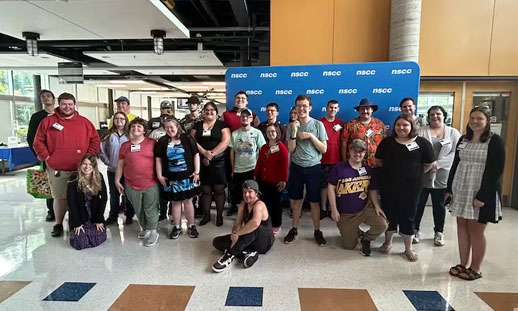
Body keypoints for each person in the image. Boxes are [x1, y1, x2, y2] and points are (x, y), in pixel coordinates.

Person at [445, 106, 505, 281]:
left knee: (476, 231)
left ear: (487, 122)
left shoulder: (495, 141)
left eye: (479, 118)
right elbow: (455, 164)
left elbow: (496, 171)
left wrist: (482, 196)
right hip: (461, 187)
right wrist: (449, 189)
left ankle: (476, 268)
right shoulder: (464, 139)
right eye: (472, 118)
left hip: (480, 190)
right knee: (461, 228)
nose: (475, 122)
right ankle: (463, 264)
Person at [33, 92, 100, 237]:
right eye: (64, 104)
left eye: (70, 104)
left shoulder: (85, 122)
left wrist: (88, 158)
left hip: (81, 169)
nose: (67, 107)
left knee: (81, 197)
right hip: (58, 168)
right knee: (59, 197)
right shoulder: (48, 122)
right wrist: (47, 157)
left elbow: (95, 140)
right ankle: (58, 224)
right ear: (59, 104)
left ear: (74, 105)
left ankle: (78, 222)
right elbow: (37, 142)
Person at [375, 115, 434, 261]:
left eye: (405, 125)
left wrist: (415, 174)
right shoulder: (387, 142)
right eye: (398, 125)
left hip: (412, 188)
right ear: (394, 126)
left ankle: (408, 248)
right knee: (389, 214)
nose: (401, 128)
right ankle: (387, 243)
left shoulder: (422, 143)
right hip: (388, 185)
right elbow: (378, 161)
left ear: (412, 126)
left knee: (409, 215)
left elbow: (429, 164)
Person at [327, 139, 388, 256]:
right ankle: (356, 231)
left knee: (382, 224)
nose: (358, 154)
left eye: (361, 151)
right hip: (346, 214)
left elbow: (372, 190)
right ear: (349, 151)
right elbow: (331, 188)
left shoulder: (368, 170)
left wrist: (376, 206)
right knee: (349, 246)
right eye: (355, 151)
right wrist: (334, 210)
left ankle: (366, 239)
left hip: (364, 209)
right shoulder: (339, 168)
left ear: (365, 153)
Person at [284, 94, 328, 246]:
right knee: (296, 200)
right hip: (297, 167)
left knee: (314, 201)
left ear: (309, 107)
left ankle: (317, 231)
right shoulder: (291, 126)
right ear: (295, 107)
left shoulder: (318, 125)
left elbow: (324, 149)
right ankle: (294, 229)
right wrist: (295, 132)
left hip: (313, 167)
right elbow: (291, 149)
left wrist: (310, 136)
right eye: (299, 106)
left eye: (304, 106)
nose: (301, 108)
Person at [414, 106, 461, 245]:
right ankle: (415, 230)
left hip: (442, 175)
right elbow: (416, 150)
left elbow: (456, 153)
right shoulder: (421, 131)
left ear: (444, 116)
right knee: (418, 204)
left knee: (439, 205)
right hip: (422, 173)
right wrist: (428, 164)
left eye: (438, 114)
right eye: (432, 114)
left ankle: (438, 232)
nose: (435, 116)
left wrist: (436, 164)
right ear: (428, 117)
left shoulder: (453, 132)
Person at [115, 118, 160, 247]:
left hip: (150, 182)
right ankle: (145, 228)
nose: (136, 129)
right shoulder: (125, 146)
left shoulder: (152, 143)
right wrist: (117, 180)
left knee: (150, 208)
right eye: (133, 126)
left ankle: (153, 231)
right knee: (138, 208)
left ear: (144, 130)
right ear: (129, 129)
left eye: (139, 127)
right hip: (131, 184)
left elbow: (160, 161)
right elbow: (120, 165)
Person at [212, 180, 275, 272]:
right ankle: (249, 253)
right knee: (217, 241)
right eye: (244, 192)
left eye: (250, 192)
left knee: (253, 227)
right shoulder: (243, 205)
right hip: (250, 239)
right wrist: (234, 234)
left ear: (256, 193)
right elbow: (237, 223)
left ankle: (229, 255)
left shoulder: (259, 205)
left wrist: (238, 234)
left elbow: (255, 223)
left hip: (264, 241)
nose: (246, 195)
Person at [155, 117, 201, 239]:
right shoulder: (163, 141)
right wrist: (159, 175)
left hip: (187, 176)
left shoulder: (187, 138)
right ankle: (177, 227)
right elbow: (158, 159)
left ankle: (191, 225)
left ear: (177, 126)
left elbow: (196, 154)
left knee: (188, 201)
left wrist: (197, 171)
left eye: (172, 127)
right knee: (175, 202)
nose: (170, 130)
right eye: (167, 127)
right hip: (171, 178)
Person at [191, 102, 230, 226]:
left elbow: (226, 141)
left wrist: (211, 154)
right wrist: (204, 153)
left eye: (212, 110)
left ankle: (219, 216)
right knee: (205, 189)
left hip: (219, 161)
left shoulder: (222, 125)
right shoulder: (197, 125)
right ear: (203, 112)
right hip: (201, 161)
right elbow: (192, 140)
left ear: (216, 112)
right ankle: (206, 215)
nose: (209, 112)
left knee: (219, 189)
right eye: (207, 110)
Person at [228, 108, 266, 216]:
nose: (245, 118)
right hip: (238, 170)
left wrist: (258, 169)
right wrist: (233, 168)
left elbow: (262, 150)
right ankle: (241, 216)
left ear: (251, 119)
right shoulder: (235, 134)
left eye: (247, 116)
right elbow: (232, 152)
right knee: (241, 196)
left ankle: (252, 215)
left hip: (252, 169)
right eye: (242, 116)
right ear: (240, 119)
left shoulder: (257, 133)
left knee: (253, 195)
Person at [99, 111, 134, 226]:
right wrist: (108, 162)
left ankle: (129, 215)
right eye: (117, 118)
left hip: (128, 171)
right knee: (114, 195)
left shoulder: (130, 135)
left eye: (122, 119)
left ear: (126, 121)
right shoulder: (108, 135)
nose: (119, 121)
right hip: (113, 170)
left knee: (128, 194)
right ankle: (113, 215)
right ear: (113, 121)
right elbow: (101, 150)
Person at [27, 89, 56, 222]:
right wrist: (38, 155)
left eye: (48, 96)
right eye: (43, 97)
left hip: (62, 155)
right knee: (49, 183)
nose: (46, 98)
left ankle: (67, 208)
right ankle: (51, 210)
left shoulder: (60, 114)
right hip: (46, 156)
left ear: (54, 99)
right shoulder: (37, 117)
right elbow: (31, 138)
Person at [67, 155, 107, 250]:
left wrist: (99, 219)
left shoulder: (99, 177)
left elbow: (104, 198)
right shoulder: (73, 178)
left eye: (90, 164)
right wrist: (77, 223)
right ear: (80, 165)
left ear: (94, 166)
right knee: (80, 243)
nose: (87, 167)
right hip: (79, 217)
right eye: (84, 164)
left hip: (94, 216)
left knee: (98, 237)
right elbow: (71, 203)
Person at [254, 123, 289, 234]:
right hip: (263, 180)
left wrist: (284, 180)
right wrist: (255, 174)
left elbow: (285, 165)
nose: (271, 133)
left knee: (275, 205)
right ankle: (266, 222)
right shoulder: (264, 147)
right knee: (264, 203)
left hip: (276, 182)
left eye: (273, 131)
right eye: (268, 131)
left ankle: (276, 224)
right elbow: (259, 162)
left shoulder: (282, 148)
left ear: (277, 133)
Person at [341, 98, 387, 167]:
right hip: (355, 164)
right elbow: (344, 143)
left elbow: (385, 143)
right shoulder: (350, 124)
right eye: (362, 109)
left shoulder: (380, 124)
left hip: (375, 164)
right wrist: (344, 161)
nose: (365, 111)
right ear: (358, 111)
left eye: (367, 109)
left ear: (372, 110)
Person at [319, 100, 343, 219]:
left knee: (335, 186)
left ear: (338, 109)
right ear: (326, 108)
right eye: (331, 107)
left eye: (335, 108)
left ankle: (333, 209)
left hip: (336, 160)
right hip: (323, 160)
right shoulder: (320, 122)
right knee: (324, 186)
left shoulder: (340, 123)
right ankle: (323, 209)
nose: (332, 110)